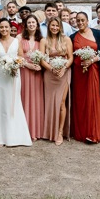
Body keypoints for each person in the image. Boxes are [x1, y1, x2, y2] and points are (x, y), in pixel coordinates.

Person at [0, 18, 32, 147]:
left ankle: (15, 136)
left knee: (13, 103)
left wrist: (15, 64)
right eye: (1, 27)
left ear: (10, 28)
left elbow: (21, 57)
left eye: (6, 27)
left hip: (13, 76)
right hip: (0, 76)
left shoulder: (16, 41)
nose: (4, 29)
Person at [73, 12, 100, 144]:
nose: (80, 22)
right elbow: (71, 55)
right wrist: (82, 61)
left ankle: (94, 133)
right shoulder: (73, 37)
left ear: (88, 21)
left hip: (94, 71)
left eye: (83, 20)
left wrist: (93, 59)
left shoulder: (97, 34)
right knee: (81, 101)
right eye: (78, 20)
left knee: (94, 100)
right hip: (79, 74)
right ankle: (82, 132)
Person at [40, 17, 73, 145]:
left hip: (63, 74)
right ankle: (49, 131)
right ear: (48, 26)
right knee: (49, 103)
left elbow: (70, 57)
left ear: (60, 27)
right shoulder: (44, 40)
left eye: (56, 26)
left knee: (61, 103)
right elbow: (42, 59)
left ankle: (59, 132)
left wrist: (64, 68)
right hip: (49, 74)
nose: (54, 28)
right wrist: (51, 69)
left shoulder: (66, 39)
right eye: (52, 25)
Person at [19, 14, 44, 140]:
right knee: (25, 98)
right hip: (25, 71)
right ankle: (25, 130)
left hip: (37, 73)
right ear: (25, 25)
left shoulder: (42, 40)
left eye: (33, 22)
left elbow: (45, 56)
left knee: (36, 99)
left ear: (37, 25)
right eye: (29, 23)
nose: (31, 25)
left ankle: (36, 130)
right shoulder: (20, 38)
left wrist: (40, 65)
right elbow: (18, 57)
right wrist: (29, 65)